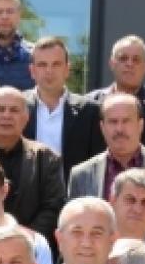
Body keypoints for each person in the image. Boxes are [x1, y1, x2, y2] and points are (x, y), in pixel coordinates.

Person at [0, 86, 66, 243]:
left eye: (14, 110)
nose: (7, 115)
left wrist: (23, 240)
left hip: (31, 247)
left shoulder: (46, 158)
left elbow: (53, 207)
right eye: (0, 109)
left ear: (26, 117)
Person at [68, 93, 145, 223]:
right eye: (113, 121)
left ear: (140, 125)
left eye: (126, 121)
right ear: (102, 127)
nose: (119, 129)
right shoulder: (81, 175)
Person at [24, 36, 102, 184]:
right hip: (26, 194)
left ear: (67, 69)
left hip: (74, 193)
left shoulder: (90, 111)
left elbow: (96, 162)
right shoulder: (16, 107)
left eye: (56, 64)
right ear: (32, 71)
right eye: (42, 65)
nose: (49, 71)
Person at [87, 35, 145, 157]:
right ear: (112, 63)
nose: (129, 64)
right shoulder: (90, 103)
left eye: (136, 60)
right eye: (123, 58)